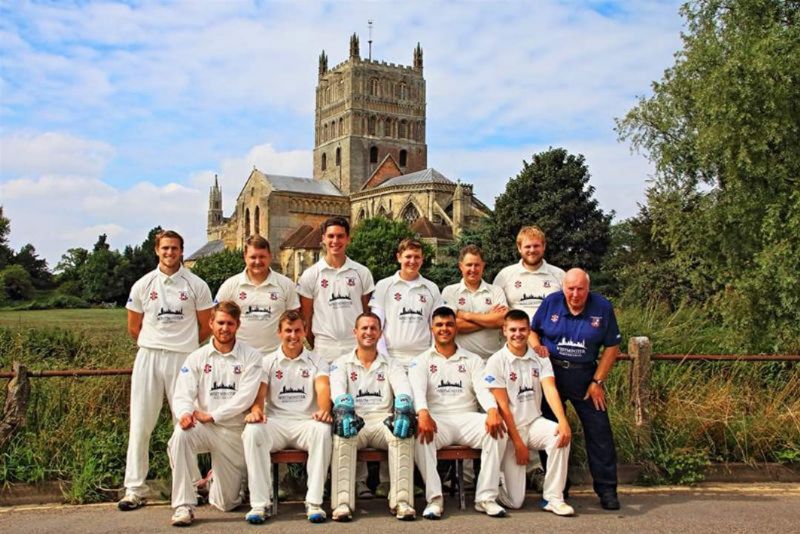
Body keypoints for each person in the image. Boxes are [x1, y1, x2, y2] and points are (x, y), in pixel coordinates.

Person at [119, 230, 214, 511]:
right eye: (165, 248)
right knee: (140, 423)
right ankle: (135, 489)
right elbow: (133, 327)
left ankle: (190, 486)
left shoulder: (196, 285)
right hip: (148, 356)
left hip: (183, 358)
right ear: (156, 251)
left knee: (183, 422)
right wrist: (156, 344)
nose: (170, 253)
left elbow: (206, 326)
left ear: (182, 251)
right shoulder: (143, 284)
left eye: (174, 248)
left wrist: (183, 347)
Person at [530, 268, 622, 510]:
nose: (575, 293)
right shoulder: (551, 302)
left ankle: (607, 490)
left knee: (600, 433)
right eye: (570, 288)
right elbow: (532, 331)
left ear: (588, 288)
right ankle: (558, 489)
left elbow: (612, 347)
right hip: (553, 375)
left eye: (580, 288)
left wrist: (597, 381)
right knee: (552, 431)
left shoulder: (602, 307)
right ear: (563, 287)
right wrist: (537, 347)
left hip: (586, 378)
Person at [167, 301, 263, 526]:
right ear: (211, 323)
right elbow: (182, 393)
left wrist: (214, 415)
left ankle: (213, 482)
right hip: (204, 428)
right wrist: (184, 414)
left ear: (238, 325)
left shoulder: (251, 357)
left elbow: (245, 398)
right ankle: (184, 505)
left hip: (233, 431)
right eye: (220, 323)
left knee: (226, 504)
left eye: (230, 323)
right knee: (180, 436)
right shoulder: (196, 358)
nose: (224, 328)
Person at [409, 306, 507, 519]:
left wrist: (492, 409)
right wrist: (422, 412)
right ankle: (435, 499)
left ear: (455, 328)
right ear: (431, 328)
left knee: (500, 429)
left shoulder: (472, 359)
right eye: (439, 325)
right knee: (419, 434)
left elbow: (482, 389)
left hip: (467, 418)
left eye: (449, 324)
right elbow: (417, 390)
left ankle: (486, 498)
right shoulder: (420, 360)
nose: (444, 329)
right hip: (438, 420)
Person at [241, 310, 333, 524]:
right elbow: (260, 392)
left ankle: (314, 503)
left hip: (306, 422)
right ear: (279, 333)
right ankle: (259, 504)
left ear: (305, 331)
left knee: (322, 429)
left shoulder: (317, 360)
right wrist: (256, 411)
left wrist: (323, 409)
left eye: (297, 330)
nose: (293, 336)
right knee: (252, 431)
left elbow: (323, 388)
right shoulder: (267, 361)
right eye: (288, 331)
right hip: (276, 423)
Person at [483, 309, 574, 516]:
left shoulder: (540, 358)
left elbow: (550, 389)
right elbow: (503, 407)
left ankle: (554, 498)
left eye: (522, 329)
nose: (518, 334)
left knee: (560, 435)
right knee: (515, 502)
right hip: (509, 431)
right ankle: (496, 482)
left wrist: (562, 421)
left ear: (529, 330)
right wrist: (518, 443)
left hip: (534, 423)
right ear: (504, 331)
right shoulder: (496, 361)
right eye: (513, 330)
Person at [328, 312, 417, 522]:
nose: (369, 332)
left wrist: (404, 406)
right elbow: (337, 389)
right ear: (355, 332)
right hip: (355, 420)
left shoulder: (391, 364)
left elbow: (403, 388)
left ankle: (401, 502)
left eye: (373, 328)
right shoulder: (341, 363)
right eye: (364, 328)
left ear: (380, 333)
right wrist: (343, 407)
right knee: (342, 433)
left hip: (380, 422)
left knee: (402, 432)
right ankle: (342, 504)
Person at [297, 217, 374, 363]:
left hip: (355, 348)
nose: (335, 241)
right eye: (331, 236)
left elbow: (366, 313)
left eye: (340, 236)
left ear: (348, 239)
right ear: (323, 239)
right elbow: (306, 318)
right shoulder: (311, 274)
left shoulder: (362, 272)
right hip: (324, 350)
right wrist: (318, 343)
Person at [215, 235, 300, 354]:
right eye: (253, 257)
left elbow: (295, 322)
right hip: (239, 357)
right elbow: (216, 320)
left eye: (262, 257)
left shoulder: (286, 285)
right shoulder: (230, 285)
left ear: (270, 256)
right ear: (245, 257)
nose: (257, 261)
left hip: (276, 358)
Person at [370, 238, 444, 368]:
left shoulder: (432, 288)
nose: (412, 261)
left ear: (422, 259)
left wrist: (432, 356)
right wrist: (385, 358)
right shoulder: (383, 286)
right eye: (408, 256)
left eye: (417, 257)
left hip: (423, 358)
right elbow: (376, 325)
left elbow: (436, 326)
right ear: (399, 257)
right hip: (392, 357)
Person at [442, 244, 508, 359]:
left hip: (491, 359)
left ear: (483, 266)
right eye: (469, 265)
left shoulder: (496, 291)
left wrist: (465, 315)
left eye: (477, 265)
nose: (473, 269)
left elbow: (501, 320)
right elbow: (453, 325)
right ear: (461, 266)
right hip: (460, 360)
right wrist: (488, 318)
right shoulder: (450, 291)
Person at [493, 226, 565, 316]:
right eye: (527, 246)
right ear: (519, 248)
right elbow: (496, 312)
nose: (532, 250)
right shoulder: (504, 275)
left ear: (544, 246)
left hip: (549, 330)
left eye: (536, 246)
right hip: (518, 329)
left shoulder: (560, 275)